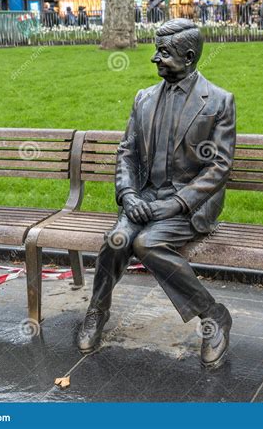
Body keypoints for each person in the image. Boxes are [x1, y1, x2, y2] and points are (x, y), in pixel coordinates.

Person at [77, 19, 236, 369]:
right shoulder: (144, 98)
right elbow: (127, 152)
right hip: (144, 197)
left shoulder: (219, 101)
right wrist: (128, 194)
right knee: (119, 239)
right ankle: (97, 310)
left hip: (188, 204)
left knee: (146, 244)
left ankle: (213, 317)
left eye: (164, 53)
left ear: (189, 56)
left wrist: (176, 203)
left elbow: (218, 167)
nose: (155, 59)